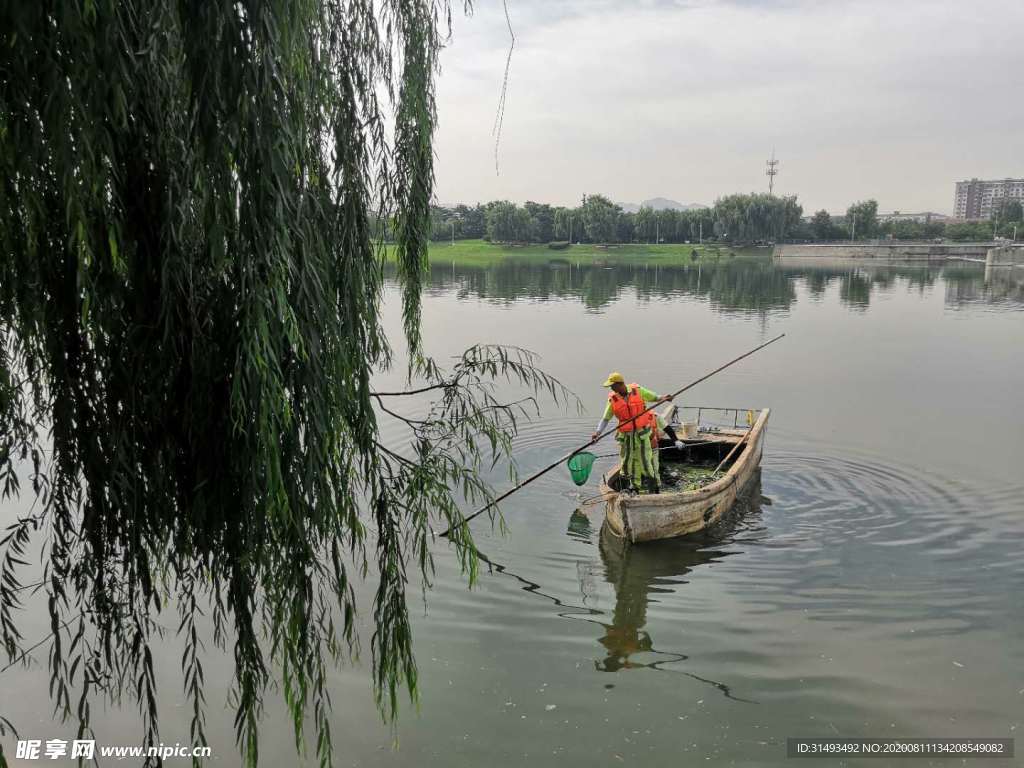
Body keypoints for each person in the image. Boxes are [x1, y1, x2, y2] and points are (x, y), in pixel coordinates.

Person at [591, 373, 681, 493]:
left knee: (646, 461)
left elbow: (654, 397)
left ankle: (654, 489)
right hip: (626, 437)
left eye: (613, 386)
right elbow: (605, 419)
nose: (611, 388)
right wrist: (598, 432)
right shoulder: (613, 399)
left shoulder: (637, 390)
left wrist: (665, 397)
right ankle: (634, 488)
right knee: (629, 463)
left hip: (642, 434)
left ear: (620, 384)